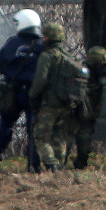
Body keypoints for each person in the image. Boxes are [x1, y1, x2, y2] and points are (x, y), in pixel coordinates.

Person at [0, 9, 44, 172]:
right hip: (33, 92)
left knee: (6, 122)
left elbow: (1, 61)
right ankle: (33, 164)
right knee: (33, 129)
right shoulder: (42, 46)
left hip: (13, 91)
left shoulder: (12, 43)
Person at [29, 22, 78, 172]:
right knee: (60, 138)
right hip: (66, 104)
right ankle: (59, 166)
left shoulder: (47, 56)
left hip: (49, 105)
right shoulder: (69, 57)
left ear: (47, 38)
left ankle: (51, 165)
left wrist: (31, 96)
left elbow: (40, 81)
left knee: (42, 137)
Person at [75, 46, 106, 170]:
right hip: (80, 114)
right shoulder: (82, 74)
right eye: (100, 64)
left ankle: (80, 163)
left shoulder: (99, 74)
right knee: (81, 139)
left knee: (83, 139)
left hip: (89, 114)